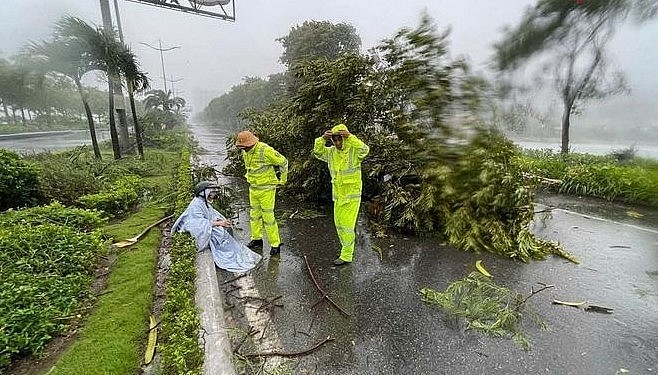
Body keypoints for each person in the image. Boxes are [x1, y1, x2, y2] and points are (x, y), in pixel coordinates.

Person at [171, 181, 262, 273]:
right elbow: (197, 224)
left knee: (223, 233)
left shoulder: (203, 202)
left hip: (206, 228)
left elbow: (211, 214)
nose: (213, 194)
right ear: (204, 193)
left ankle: (233, 251)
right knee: (220, 236)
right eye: (212, 192)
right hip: (198, 232)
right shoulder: (196, 205)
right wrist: (219, 223)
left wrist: (221, 221)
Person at [313, 123, 369, 265]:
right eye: (335, 140)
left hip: (352, 196)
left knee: (347, 225)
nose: (338, 142)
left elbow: (365, 150)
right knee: (339, 224)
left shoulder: (353, 150)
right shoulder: (331, 152)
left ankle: (346, 255)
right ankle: (345, 249)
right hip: (338, 196)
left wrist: (350, 137)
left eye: (340, 139)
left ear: (344, 138)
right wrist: (321, 139)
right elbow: (318, 152)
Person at [234, 130, 288, 255]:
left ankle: (275, 244)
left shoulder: (265, 150)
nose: (243, 149)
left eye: (244, 147)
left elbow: (283, 162)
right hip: (253, 188)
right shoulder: (245, 152)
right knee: (254, 215)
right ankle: (257, 238)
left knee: (268, 217)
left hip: (267, 189)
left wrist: (283, 180)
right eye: (241, 147)